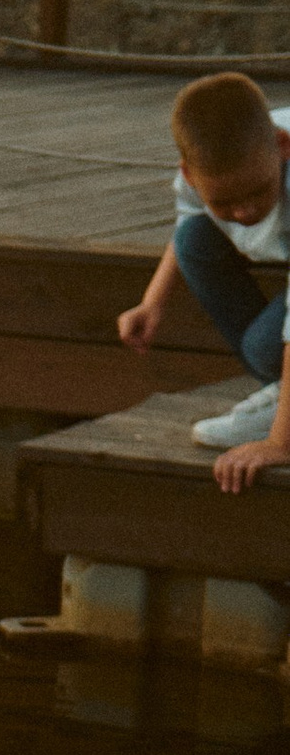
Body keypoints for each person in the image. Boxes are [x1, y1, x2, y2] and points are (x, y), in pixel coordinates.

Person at [116, 70, 290, 497]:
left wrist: (279, 445)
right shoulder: (207, 168)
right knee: (194, 239)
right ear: (190, 175)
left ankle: (283, 414)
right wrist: (152, 302)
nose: (245, 211)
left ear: (284, 148)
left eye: (257, 192)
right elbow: (192, 220)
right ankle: (282, 391)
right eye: (224, 202)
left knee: (265, 346)